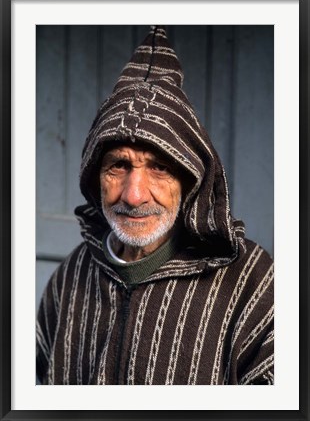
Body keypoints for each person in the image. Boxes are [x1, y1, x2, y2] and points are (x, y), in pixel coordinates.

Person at [36, 26, 274, 385]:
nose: (134, 195)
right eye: (118, 165)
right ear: (94, 175)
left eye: (160, 167)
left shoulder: (251, 282)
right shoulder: (70, 278)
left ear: (190, 179)